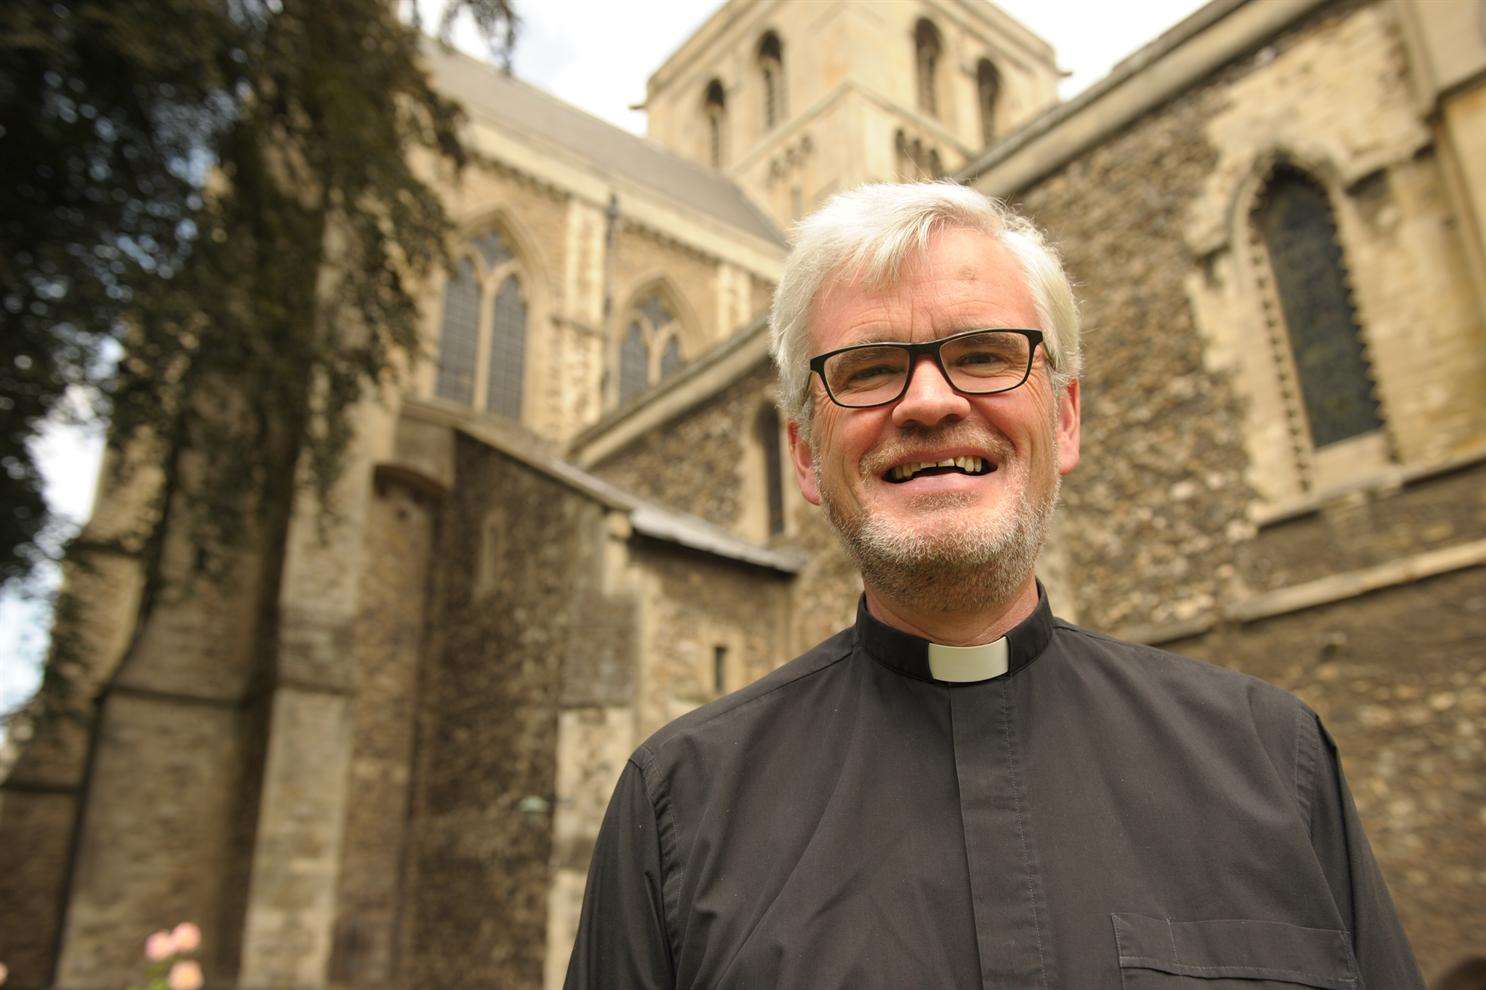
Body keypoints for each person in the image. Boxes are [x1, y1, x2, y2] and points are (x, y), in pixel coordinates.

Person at [563, 183, 1424, 989]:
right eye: (866, 369)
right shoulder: (675, 806)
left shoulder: (1275, 760)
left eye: (983, 355)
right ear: (805, 457)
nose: (929, 402)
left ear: (1065, 416)